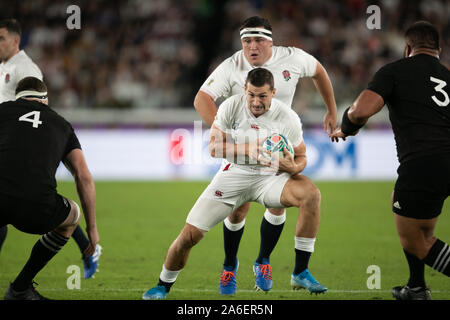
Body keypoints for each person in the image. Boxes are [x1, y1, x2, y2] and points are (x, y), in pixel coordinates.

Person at [143, 68, 326, 300]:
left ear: (273, 93)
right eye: (251, 95)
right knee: (190, 235)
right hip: (234, 173)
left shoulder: (287, 117)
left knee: (311, 194)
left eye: (262, 96)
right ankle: (163, 286)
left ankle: (300, 271)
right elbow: (213, 148)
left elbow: (301, 157)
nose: (256, 102)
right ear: (244, 91)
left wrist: (293, 168)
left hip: (270, 176)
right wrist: (247, 149)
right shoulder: (231, 106)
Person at [194, 16, 336, 294]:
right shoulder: (232, 65)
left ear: (270, 41)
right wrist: (226, 136)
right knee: (238, 210)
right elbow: (202, 98)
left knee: (278, 205)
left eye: (258, 40)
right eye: (246, 41)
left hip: (277, 147)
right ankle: (229, 264)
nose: (252, 46)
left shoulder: (293, 58)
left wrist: (331, 109)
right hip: (242, 151)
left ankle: (263, 261)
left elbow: (319, 71)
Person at [330, 21, 449, 300]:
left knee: (418, 240)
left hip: (423, 163)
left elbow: (361, 111)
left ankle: (417, 288)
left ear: (407, 48)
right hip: (440, 162)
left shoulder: (395, 71)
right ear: (439, 50)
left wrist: (346, 127)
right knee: (407, 207)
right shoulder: (447, 77)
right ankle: (416, 288)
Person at [0, 18, 102, 279]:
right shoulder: (4, 68)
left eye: (1, 39)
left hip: (19, 142)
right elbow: (83, 175)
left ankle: (85, 248)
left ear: (15, 40)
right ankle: (84, 248)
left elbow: (34, 102)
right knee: (44, 202)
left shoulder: (26, 69)